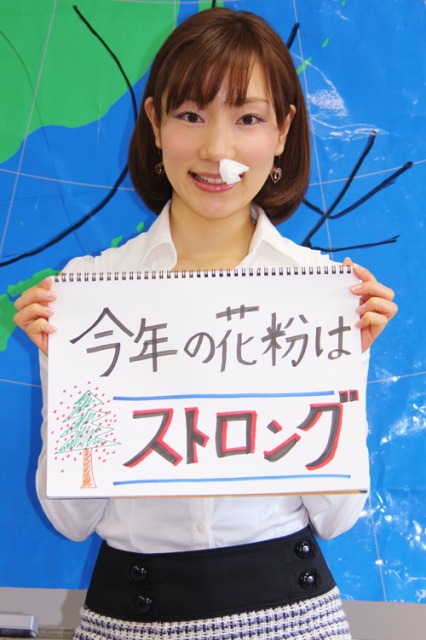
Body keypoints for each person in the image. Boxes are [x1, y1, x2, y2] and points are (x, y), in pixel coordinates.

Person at [14, 7, 397, 640]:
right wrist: (64, 363)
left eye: (248, 118)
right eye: (191, 115)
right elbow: (72, 518)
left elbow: (336, 517)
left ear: (283, 132)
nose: (217, 149)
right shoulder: (90, 293)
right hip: (129, 617)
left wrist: (348, 359)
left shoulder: (321, 293)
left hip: (293, 616)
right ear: (154, 123)